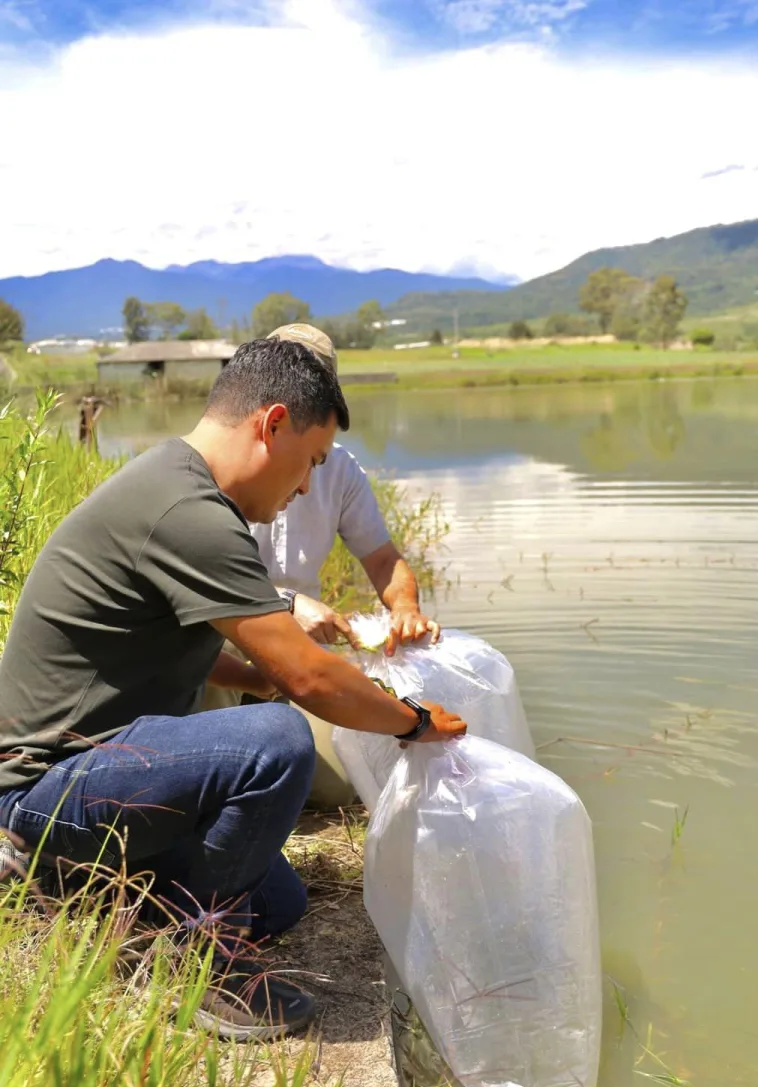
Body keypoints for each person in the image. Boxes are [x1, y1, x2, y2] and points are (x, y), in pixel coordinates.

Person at [0, 338, 466, 1042]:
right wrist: (411, 721)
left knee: (276, 900)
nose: (308, 486)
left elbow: (194, 646)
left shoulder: (180, 485)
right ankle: (198, 966)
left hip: (102, 763)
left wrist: (259, 678)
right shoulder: (186, 509)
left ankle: (90, 894)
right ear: (271, 424)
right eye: (309, 461)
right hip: (42, 786)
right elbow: (304, 673)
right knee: (275, 744)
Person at [206, 323, 441, 811]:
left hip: (296, 650)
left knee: (334, 787)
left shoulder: (340, 469)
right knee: (226, 762)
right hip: (221, 638)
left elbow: (382, 559)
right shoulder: (222, 466)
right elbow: (209, 588)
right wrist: (289, 604)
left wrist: (405, 608)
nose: (308, 480)